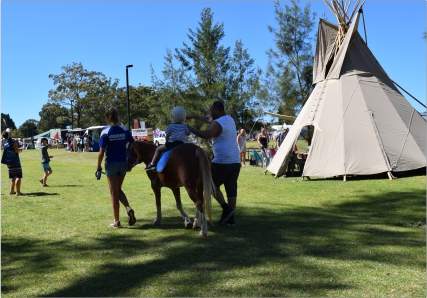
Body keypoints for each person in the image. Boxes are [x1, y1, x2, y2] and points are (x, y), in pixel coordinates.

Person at [186, 101, 240, 226]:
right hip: (235, 161)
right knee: (231, 190)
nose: (210, 113)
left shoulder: (218, 123)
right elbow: (208, 120)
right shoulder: (229, 119)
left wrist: (191, 129)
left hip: (222, 161)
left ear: (216, 110)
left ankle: (226, 209)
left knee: (208, 184)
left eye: (211, 110)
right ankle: (230, 219)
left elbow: (206, 134)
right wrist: (193, 116)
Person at [97, 106, 144, 228]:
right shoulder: (124, 130)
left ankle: (116, 221)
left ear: (107, 118)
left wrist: (98, 167)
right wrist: (139, 158)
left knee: (113, 192)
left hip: (111, 163)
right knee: (118, 189)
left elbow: (101, 153)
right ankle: (128, 208)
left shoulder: (105, 132)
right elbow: (135, 146)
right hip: (123, 163)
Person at [145, 106, 190, 171]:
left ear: (173, 116)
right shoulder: (185, 126)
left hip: (172, 143)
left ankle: (152, 164)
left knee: (158, 149)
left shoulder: (171, 126)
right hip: (181, 144)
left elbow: (167, 136)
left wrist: (166, 143)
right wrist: (189, 129)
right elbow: (188, 134)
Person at [1, 130, 24, 196]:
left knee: (13, 177)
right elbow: (16, 150)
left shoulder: (6, 143)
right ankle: (18, 192)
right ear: (9, 135)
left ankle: (11, 190)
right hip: (15, 161)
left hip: (9, 162)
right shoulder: (13, 142)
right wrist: (20, 149)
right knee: (18, 176)